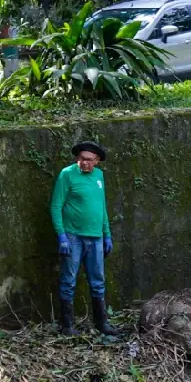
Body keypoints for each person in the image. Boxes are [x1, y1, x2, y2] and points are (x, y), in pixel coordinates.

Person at [51, 141, 116, 337]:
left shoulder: (99, 176)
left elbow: (102, 207)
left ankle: (102, 323)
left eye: (89, 160)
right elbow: (56, 206)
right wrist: (61, 235)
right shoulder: (67, 174)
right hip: (73, 236)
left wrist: (107, 235)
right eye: (81, 158)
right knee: (68, 280)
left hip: (96, 237)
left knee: (98, 281)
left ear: (97, 161)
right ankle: (67, 325)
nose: (84, 162)